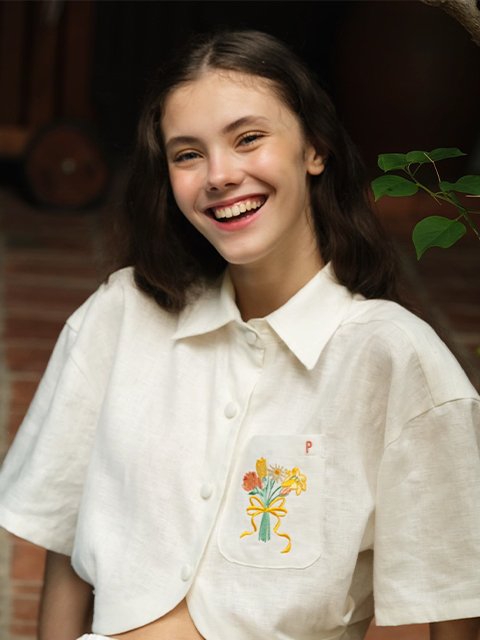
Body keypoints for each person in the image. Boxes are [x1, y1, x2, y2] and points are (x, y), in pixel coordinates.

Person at [0, 28, 479, 640]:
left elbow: (445, 607)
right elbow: (66, 544)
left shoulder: (395, 358)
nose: (219, 175)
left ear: (316, 148)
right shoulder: (120, 315)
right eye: (187, 154)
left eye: (248, 138)